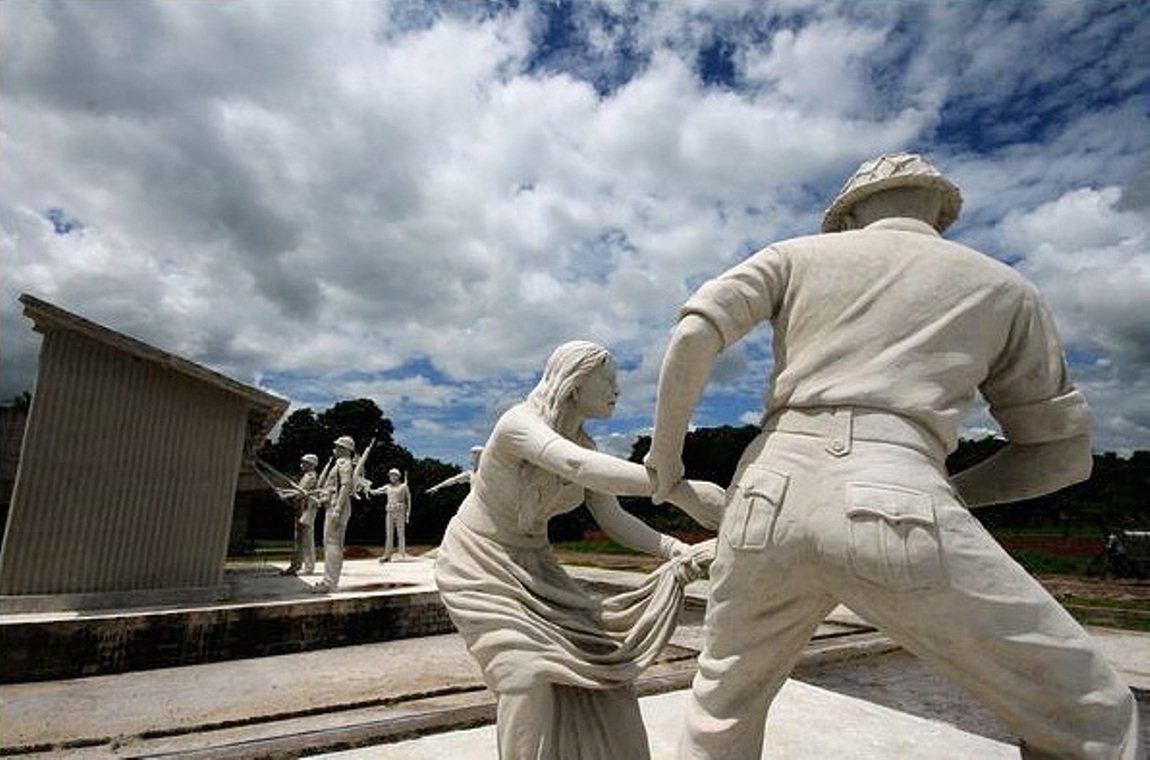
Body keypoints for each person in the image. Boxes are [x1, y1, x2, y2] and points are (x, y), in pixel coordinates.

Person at [645, 153, 1142, 759]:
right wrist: (942, 495)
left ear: (850, 215)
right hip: (900, 491)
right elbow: (1061, 456)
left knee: (721, 709)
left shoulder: (793, 255)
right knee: (1092, 715)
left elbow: (694, 332)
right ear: (939, 210)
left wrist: (667, 459)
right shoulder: (1004, 287)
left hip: (765, 494)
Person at [434, 340, 724, 760]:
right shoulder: (519, 423)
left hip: (536, 567)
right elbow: (576, 467)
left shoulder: (588, 446)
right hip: (477, 563)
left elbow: (613, 518)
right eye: (608, 379)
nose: (617, 389)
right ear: (574, 383)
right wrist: (679, 491)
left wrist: (675, 549)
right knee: (523, 673)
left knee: (604, 670)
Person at [314, 435, 355, 593]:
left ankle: (330, 582)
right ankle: (329, 580)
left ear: (344, 449)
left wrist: (337, 508)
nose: (335, 449)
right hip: (333, 505)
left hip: (337, 506)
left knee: (332, 544)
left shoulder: (344, 463)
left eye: (338, 447)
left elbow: (345, 485)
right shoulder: (340, 463)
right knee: (330, 543)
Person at [279, 453, 319, 576]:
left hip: (306, 509)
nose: (302, 464)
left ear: (311, 464)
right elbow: (298, 491)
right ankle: (296, 565)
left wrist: (285, 494)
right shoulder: (306, 476)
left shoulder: (311, 477)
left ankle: (308, 567)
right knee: (299, 540)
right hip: (300, 509)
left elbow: (301, 493)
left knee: (306, 539)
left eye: (305, 462)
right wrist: (284, 491)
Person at [371, 468, 412, 561]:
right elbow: (375, 491)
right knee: (389, 534)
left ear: (398, 476)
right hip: (389, 511)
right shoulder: (387, 487)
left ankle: (401, 554)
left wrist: (408, 513)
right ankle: (387, 555)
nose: (391, 477)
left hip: (400, 511)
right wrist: (367, 489)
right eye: (390, 475)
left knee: (400, 534)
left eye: (393, 475)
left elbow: (408, 501)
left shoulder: (403, 486)